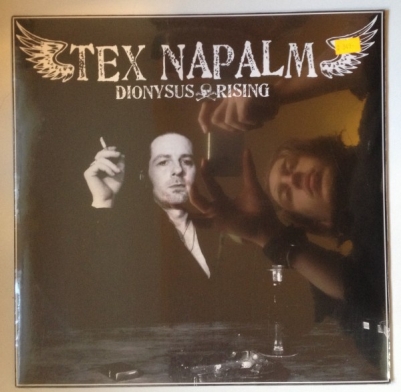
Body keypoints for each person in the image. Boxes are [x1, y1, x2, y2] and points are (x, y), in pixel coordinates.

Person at [190, 15, 387, 369]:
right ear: (316, 223)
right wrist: (269, 236)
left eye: (291, 165)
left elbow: (367, 37)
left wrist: (276, 91)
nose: (293, 179)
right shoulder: (367, 263)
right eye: (286, 193)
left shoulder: (379, 119)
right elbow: (379, 328)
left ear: (320, 151)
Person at [83, 133, 217, 323]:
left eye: (186, 161)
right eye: (163, 162)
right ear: (145, 174)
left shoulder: (219, 227)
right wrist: (103, 201)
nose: (177, 170)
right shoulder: (135, 235)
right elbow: (99, 295)